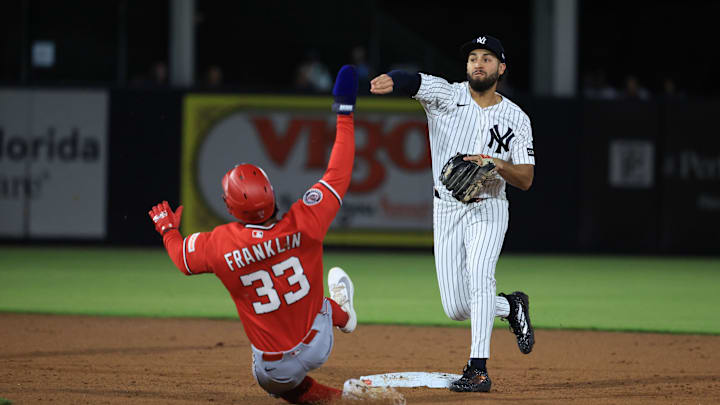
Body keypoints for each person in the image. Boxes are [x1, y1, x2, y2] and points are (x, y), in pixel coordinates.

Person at [149, 65, 404, 404]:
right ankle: (343, 315)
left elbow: (181, 259)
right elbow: (339, 171)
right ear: (270, 192)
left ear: (231, 208)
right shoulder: (305, 221)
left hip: (272, 371)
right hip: (317, 345)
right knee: (317, 301)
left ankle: (339, 394)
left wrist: (167, 229)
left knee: (278, 375)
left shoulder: (220, 244)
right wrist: (344, 111)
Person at [370, 35, 535, 393]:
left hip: (489, 207)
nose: (478, 63)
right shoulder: (446, 95)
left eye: (487, 58)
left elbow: (525, 178)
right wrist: (393, 80)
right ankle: (510, 306)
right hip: (446, 208)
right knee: (457, 307)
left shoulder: (517, 118)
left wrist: (495, 163)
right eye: (473, 57)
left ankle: (478, 370)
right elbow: (414, 81)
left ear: (501, 68)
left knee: (479, 277)